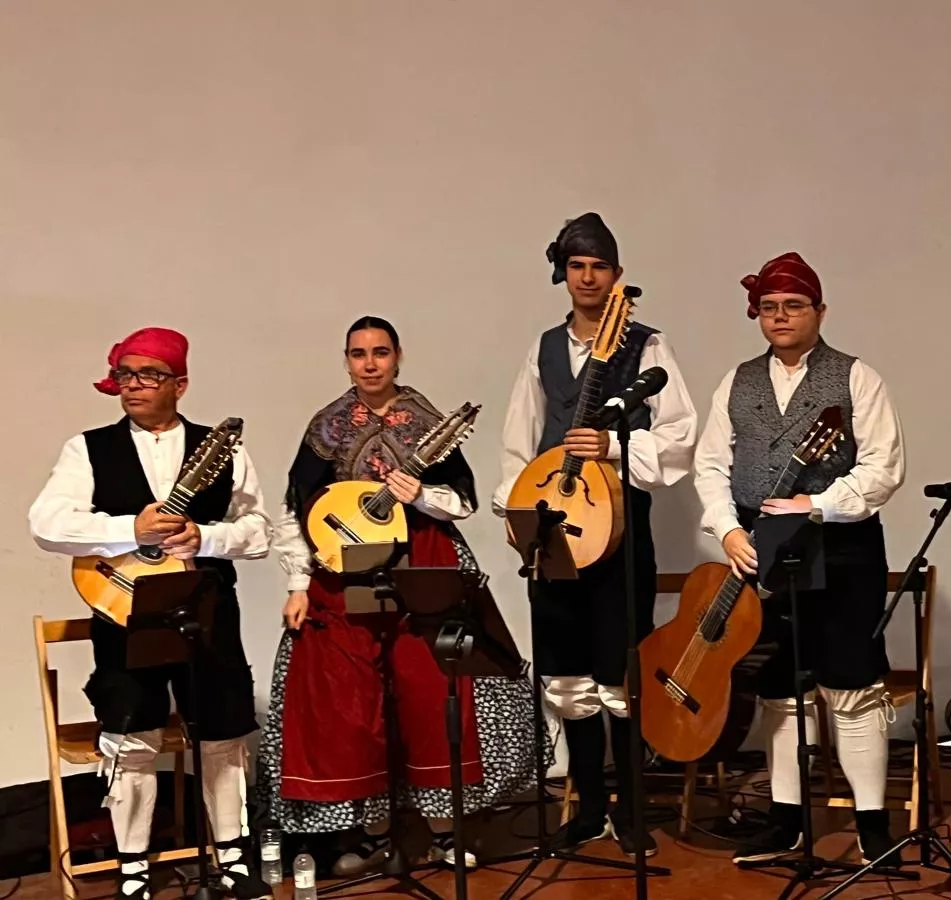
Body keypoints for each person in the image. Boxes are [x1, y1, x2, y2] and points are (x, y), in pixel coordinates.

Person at [261, 316, 540, 873]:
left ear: (398, 356)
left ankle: (442, 831)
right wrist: (298, 584)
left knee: (433, 691)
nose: (369, 363)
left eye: (380, 352)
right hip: (344, 574)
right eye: (358, 353)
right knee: (354, 700)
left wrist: (421, 495)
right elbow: (296, 506)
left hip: (425, 564)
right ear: (345, 360)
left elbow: (463, 501)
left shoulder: (429, 422)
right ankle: (375, 834)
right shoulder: (329, 426)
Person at [28, 327, 272, 900]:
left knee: (223, 727)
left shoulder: (222, 446)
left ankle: (233, 856)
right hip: (125, 608)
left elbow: (258, 531)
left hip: (206, 603)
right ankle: (132, 864)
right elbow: (46, 523)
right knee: (132, 728)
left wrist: (203, 539)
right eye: (125, 375)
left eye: (148, 376)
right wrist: (126, 531)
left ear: (180, 385)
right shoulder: (87, 448)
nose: (132, 386)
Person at [493, 213, 697, 857]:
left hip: (616, 526)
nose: (587, 278)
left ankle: (633, 807)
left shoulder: (646, 345)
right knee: (566, 673)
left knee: (620, 672)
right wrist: (513, 509)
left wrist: (612, 446)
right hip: (553, 523)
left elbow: (681, 435)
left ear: (617, 278)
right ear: (564, 273)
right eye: (577, 266)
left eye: (599, 267)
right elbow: (519, 435)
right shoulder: (545, 347)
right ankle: (585, 805)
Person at [694, 251, 907, 865]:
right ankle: (785, 821)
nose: (780, 317)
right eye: (769, 308)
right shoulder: (735, 381)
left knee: (853, 682)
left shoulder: (857, 376)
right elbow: (711, 465)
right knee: (779, 686)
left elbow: (883, 467)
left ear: (819, 310)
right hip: (760, 554)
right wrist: (729, 531)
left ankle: (873, 826)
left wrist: (817, 504)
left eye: (793, 305)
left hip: (843, 549)